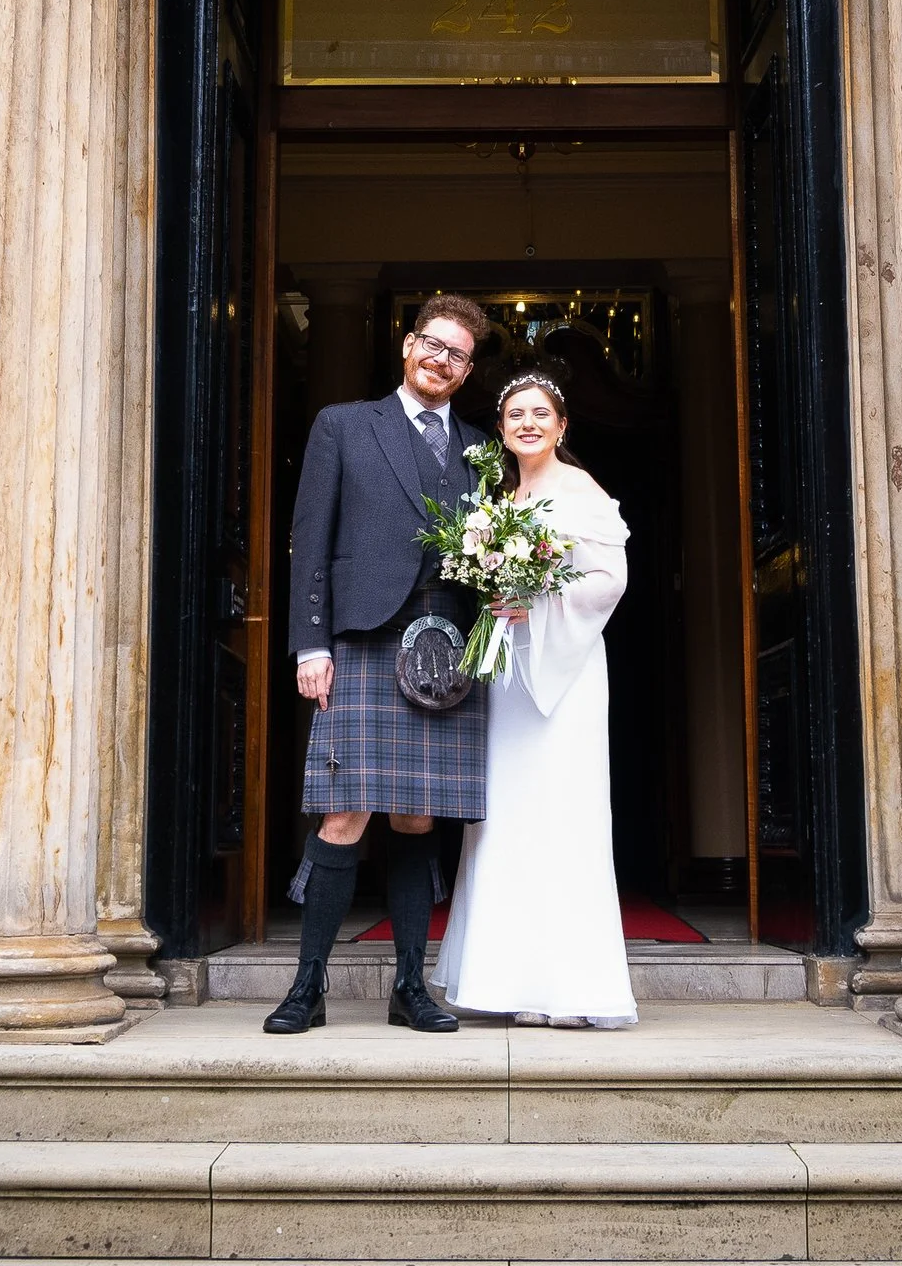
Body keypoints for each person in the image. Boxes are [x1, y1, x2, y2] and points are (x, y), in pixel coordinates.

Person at [265, 293, 495, 1035]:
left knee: (418, 817)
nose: (442, 360)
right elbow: (310, 538)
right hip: (363, 641)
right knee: (344, 815)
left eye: (457, 354)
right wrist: (311, 644)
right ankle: (307, 988)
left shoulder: (477, 449)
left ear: (466, 370)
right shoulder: (343, 425)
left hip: (445, 651)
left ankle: (410, 987)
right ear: (407, 345)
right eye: (433, 344)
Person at [433, 369, 636, 1028]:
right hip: (510, 674)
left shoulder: (579, 488)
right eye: (515, 414)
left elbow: (610, 579)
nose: (527, 423)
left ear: (561, 425)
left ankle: (569, 989)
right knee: (502, 816)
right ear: (501, 430)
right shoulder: (502, 497)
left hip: (566, 670)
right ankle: (505, 982)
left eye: (539, 414)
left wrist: (536, 597)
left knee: (561, 812)